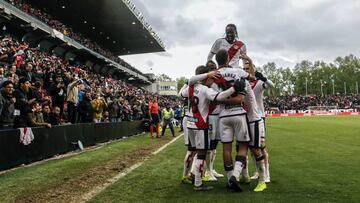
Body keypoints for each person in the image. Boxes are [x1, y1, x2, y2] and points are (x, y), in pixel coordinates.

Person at [181, 65, 246, 191]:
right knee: (201, 153)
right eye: (210, 76)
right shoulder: (205, 89)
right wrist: (233, 89)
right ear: (207, 76)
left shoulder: (189, 88)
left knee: (195, 151)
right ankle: (198, 183)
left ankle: (194, 176)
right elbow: (219, 97)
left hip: (190, 124)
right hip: (201, 125)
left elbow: (181, 92)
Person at [243, 58, 274, 183]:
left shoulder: (259, 83)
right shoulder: (243, 83)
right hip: (247, 117)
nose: (245, 71)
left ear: (253, 69)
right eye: (244, 69)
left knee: (261, 147)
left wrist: (264, 78)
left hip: (259, 117)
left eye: (248, 69)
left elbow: (272, 85)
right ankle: (257, 171)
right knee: (252, 148)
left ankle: (266, 173)